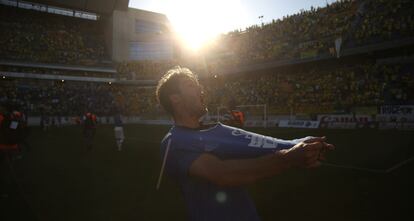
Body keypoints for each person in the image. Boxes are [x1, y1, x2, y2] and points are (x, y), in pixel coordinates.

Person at [155, 67, 334, 221]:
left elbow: (262, 145)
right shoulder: (174, 142)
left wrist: (297, 144)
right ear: (175, 98)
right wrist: (289, 158)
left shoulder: (214, 131)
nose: (201, 89)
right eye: (191, 85)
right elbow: (224, 174)